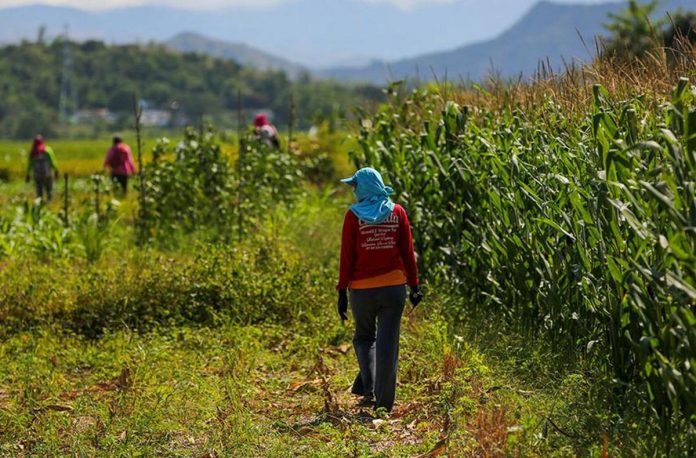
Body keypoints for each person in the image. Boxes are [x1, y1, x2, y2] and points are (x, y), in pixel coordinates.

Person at [336, 167, 423, 413]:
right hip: (394, 289)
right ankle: (383, 403)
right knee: (388, 343)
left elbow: (347, 257)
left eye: (355, 186)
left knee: (364, 338)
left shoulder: (353, 216)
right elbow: (408, 253)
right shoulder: (397, 212)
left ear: (363, 188)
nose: (354, 191)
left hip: (361, 291)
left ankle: (370, 386)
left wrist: (342, 291)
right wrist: (414, 286)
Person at [25, 135, 59, 201]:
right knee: (49, 190)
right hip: (47, 174)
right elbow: (53, 161)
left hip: (37, 175)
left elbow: (30, 165)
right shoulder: (47, 150)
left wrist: (27, 174)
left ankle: (39, 206)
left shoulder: (33, 152)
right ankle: (49, 204)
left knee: (39, 192)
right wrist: (56, 170)